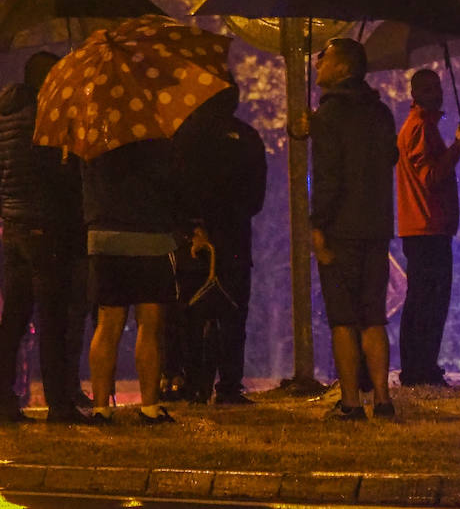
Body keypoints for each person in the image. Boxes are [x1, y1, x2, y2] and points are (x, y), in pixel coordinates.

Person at [310, 38, 399, 420]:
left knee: (344, 319)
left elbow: (329, 177)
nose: (317, 64)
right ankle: (382, 397)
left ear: (343, 68)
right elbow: (391, 157)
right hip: (377, 226)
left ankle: (350, 401)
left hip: (341, 229)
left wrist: (318, 224)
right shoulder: (381, 114)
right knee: (374, 316)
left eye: (324, 58)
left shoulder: (329, 117)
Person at [0, 52, 89, 424]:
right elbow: (55, 178)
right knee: (53, 317)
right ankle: (60, 404)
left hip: (14, 227)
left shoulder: (4, 118)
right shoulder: (45, 120)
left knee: (14, 318)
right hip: (45, 227)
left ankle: (3, 402)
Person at [85, 136, 198, 425]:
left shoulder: (96, 140)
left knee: (107, 323)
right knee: (150, 324)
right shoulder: (156, 139)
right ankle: (150, 407)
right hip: (151, 238)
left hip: (105, 235)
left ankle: (101, 408)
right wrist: (186, 227)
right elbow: (176, 187)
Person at [171, 84, 266, 404]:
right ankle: (229, 385)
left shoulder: (183, 136)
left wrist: (191, 223)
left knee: (189, 312)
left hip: (193, 238)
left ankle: (191, 381)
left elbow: (176, 189)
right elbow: (256, 198)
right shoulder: (248, 137)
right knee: (233, 313)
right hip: (235, 236)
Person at [396, 69, 460, 387]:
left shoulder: (419, 126)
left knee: (421, 299)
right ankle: (420, 367)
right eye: (430, 88)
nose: (438, 93)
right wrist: (456, 148)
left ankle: (420, 365)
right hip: (427, 226)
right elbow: (430, 177)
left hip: (422, 225)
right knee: (429, 300)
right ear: (416, 93)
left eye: (438, 87)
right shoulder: (420, 129)